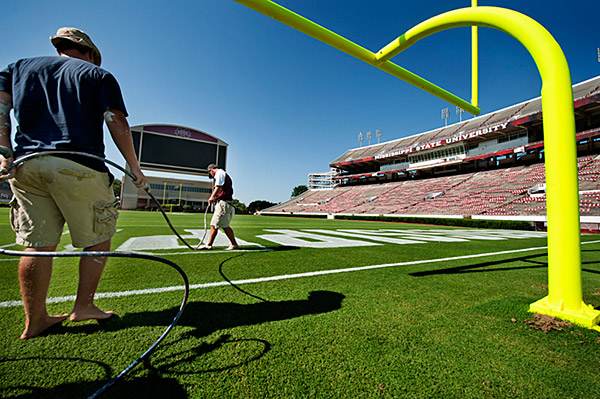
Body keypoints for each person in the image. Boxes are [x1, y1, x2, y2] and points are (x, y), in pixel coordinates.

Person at [0, 27, 147, 339]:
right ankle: (84, 305)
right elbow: (115, 120)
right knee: (99, 236)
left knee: (36, 245)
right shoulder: (97, 74)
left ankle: (35, 319)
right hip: (78, 164)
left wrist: (4, 151)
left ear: (59, 48)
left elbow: (0, 107)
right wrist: (133, 168)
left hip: (26, 165)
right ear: (91, 53)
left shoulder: (17, 68)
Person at [199, 164, 239, 250]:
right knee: (217, 225)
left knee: (220, 225)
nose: (211, 175)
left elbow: (219, 187)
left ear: (211, 170)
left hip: (223, 203)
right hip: (225, 203)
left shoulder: (220, 173)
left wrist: (212, 196)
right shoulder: (222, 174)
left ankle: (232, 244)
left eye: (210, 173)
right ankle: (210, 244)